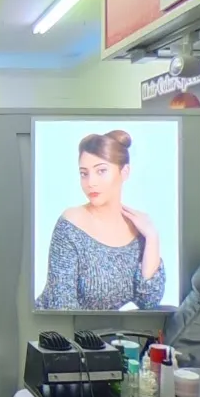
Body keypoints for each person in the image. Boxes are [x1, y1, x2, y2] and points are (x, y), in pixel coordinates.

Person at [36, 130, 165, 311]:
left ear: (125, 172)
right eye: (84, 173)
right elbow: (62, 307)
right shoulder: (71, 224)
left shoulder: (138, 229)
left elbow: (149, 301)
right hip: (54, 328)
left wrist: (152, 237)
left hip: (105, 328)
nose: (91, 182)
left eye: (101, 171)